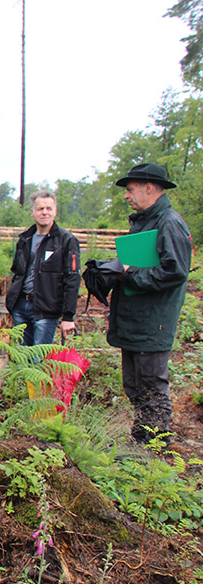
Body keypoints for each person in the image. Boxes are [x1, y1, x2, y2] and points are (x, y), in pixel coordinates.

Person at [108, 163, 191, 444]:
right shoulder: (146, 221)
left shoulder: (169, 223)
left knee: (151, 386)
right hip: (136, 320)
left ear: (149, 188)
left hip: (152, 322)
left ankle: (155, 447)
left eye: (130, 190)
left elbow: (175, 271)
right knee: (134, 385)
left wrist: (130, 274)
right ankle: (141, 439)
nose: (126, 196)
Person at [5, 190, 81, 346]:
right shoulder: (25, 239)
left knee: (37, 362)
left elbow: (72, 279)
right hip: (21, 307)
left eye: (48, 208)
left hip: (46, 310)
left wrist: (68, 316)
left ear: (55, 212)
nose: (44, 212)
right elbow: (17, 272)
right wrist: (13, 301)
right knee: (21, 358)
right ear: (33, 212)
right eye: (40, 209)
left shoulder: (66, 241)